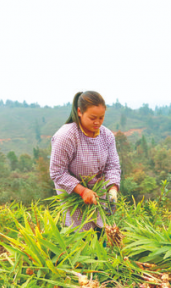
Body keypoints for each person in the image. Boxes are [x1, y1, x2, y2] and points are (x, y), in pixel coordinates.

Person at [50, 91, 121, 231]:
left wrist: (112, 189)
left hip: (99, 196)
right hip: (74, 197)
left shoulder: (107, 136)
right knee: (80, 237)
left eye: (101, 118)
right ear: (79, 112)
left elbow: (112, 166)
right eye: (93, 118)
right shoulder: (66, 137)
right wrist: (82, 191)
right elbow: (57, 172)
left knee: (102, 234)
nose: (97, 122)